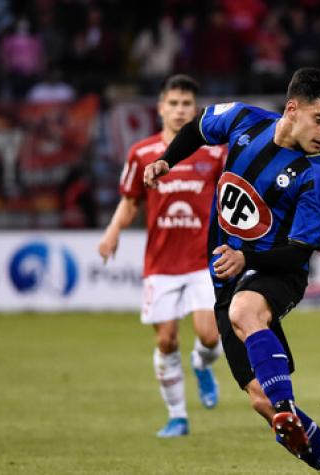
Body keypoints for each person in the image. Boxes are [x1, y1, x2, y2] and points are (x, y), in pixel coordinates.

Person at [143, 67, 320, 474]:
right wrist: (167, 160)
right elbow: (198, 127)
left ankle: (285, 406)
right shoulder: (244, 120)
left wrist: (248, 259)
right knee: (262, 401)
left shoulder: (315, 176)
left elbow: (297, 255)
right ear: (292, 109)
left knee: (246, 311)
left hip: (277, 272)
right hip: (226, 277)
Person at [98, 74, 223, 438]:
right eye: (174, 104)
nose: (180, 110)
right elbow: (130, 200)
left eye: (187, 104)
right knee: (166, 339)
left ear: (195, 109)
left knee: (210, 336)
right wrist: (113, 231)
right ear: (160, 108)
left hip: (204, 260)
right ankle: (177, 416)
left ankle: (201, 364)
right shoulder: (142, 152)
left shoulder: (214, 151)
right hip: (162, 264)